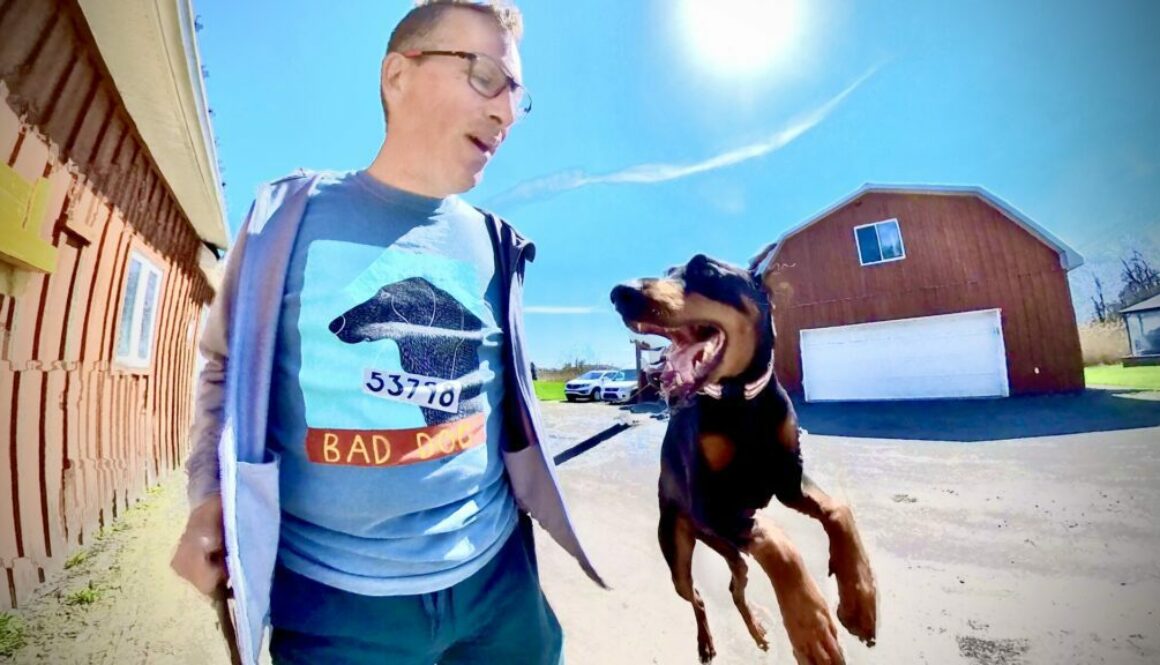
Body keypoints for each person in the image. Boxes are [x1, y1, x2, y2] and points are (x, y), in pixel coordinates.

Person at [170, 2, 604, 663]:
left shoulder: (496, 245)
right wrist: (208, 495)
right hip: (333, 610)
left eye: (518, 94)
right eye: (486, 76)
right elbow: (223, 371)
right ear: (398, 74)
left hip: (497, 585)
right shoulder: (283, 220)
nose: (507, 113)